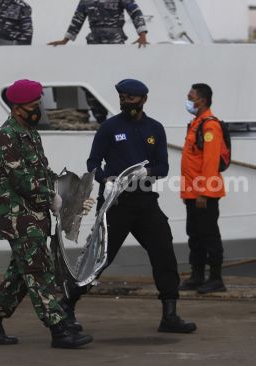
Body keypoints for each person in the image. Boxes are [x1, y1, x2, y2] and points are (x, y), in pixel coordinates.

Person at [62, 79, 196, 334]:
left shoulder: (155, 129)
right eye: (122, 97)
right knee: (99, 258)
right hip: (115, 203)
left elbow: (163, 167)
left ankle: (170, 315)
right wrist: (105, 179)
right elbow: (93, 162)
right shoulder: (109, 128)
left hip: (145, 202)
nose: (125, 102)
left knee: (164, 252)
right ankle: (66, 306)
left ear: (143, 100)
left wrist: (146, 172)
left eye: (131, 98)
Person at [0, 79, 93, 349]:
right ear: (17, 108)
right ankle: (59, 329)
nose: (38, 110)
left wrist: (70, 191)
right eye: (33, 106)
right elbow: (22, 180)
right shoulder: (8, 136)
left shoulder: (29, 133)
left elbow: (42, 173)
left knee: (21, 274)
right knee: (40, 274)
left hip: (35, 216)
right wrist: (51, 196)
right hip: (20, 219)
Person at [179, 83, 227, 294]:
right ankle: (197, 276)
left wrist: (204, 192)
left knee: (209, 235)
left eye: (191, 96)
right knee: (195, 235)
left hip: (203, 194)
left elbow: (210, 161)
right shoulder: (196, 123)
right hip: (192, 193)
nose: (188, 100)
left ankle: (216, 279)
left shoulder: (210, 126)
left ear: (202, 100)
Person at [48, 0, 149, 47]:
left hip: (115, 41)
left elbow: (135, 12)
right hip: (94, 41)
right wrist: (65, 40)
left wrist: (142, 34)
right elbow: (77, 19)